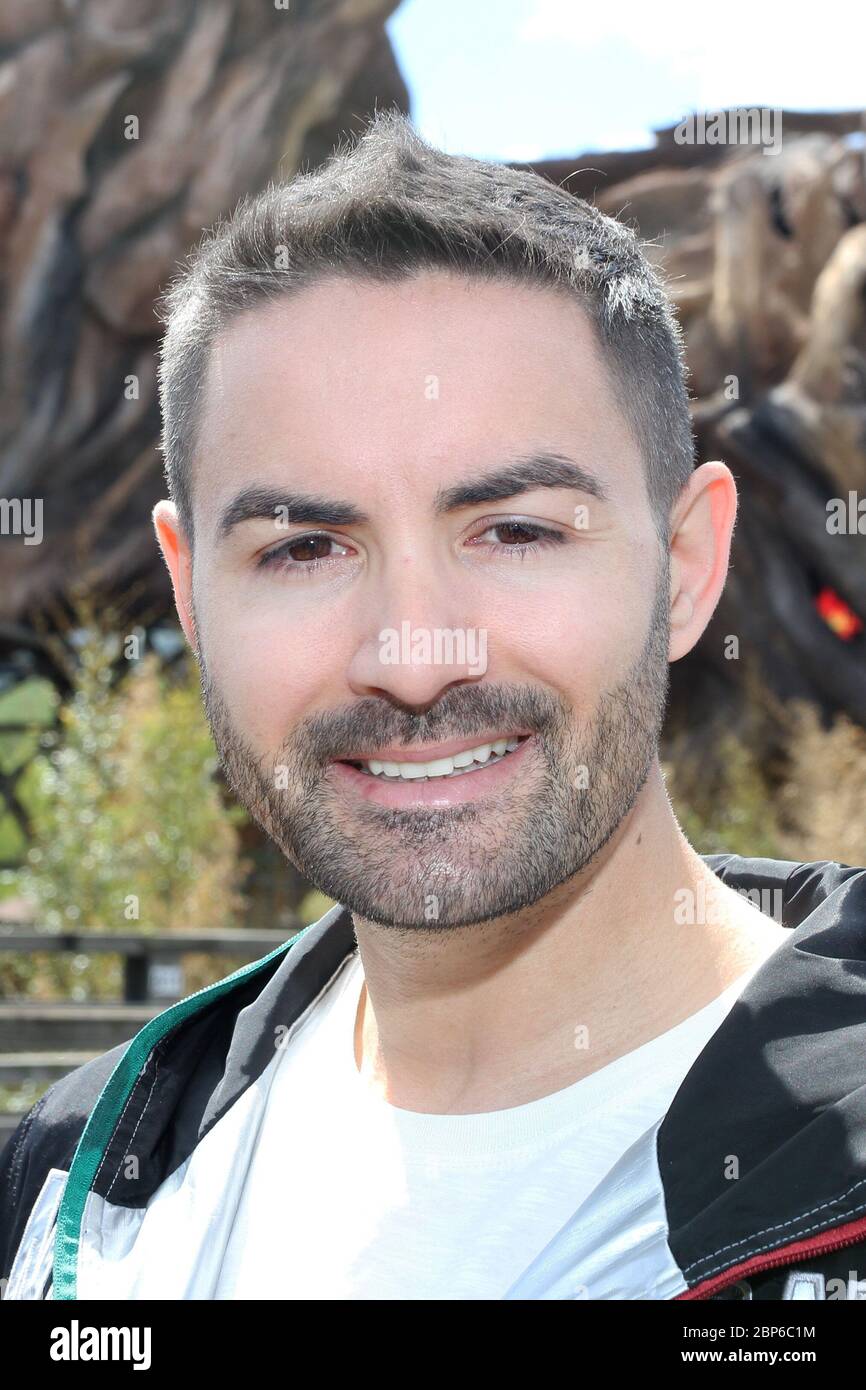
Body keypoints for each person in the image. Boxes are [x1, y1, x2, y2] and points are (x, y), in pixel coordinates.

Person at [3, 109, 866, 1302]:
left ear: (684, 565)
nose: (412, 657)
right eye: (304, 547)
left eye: (513, 531)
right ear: (189, 590)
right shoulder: (65, 1192)